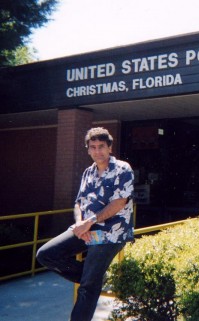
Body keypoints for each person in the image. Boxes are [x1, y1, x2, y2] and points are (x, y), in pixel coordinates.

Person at [37, 127, 134, 321]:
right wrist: (80, 223)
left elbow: (119, 202)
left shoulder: (123, 169)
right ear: (88, 149)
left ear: (110, 148)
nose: (97, 151)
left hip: (111, 233)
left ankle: (92, 278)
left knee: (87, 288)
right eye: (93, 147)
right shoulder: (87, 172)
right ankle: (93, 276)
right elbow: (79, 202)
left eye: (101, 147)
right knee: (45, 255)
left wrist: (89, 222)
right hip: (86, 229)